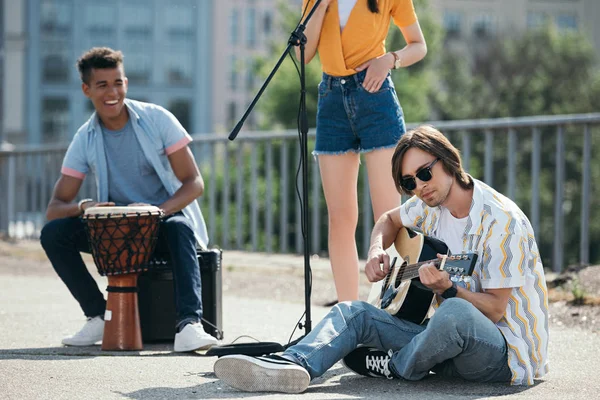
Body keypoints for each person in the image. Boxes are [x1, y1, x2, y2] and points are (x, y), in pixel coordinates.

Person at [213, 125, 549, 393]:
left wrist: (449, 290)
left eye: (424, 173)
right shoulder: (428, 205)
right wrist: (376, 251)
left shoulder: (502, 222)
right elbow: (388, 220)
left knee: (454, 311)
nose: (419, 186)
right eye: (408, 182)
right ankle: (292, 364)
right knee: (353, 311)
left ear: (447, 160)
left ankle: (395, 365)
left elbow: (494, 309)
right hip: (439, 347)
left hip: (503, 356)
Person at [40, 47, 218, 352]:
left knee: (181, 228)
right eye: (102, 85)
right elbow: (54, 209)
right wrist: (85, 207)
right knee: (53, 235)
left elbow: (194, 183)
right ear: (86, 90)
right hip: (117, 234)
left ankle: (189, 325)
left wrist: (156, 211)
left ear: (126, 83)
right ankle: (97, 315)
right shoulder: (85, 138)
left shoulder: (158, 119)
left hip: (162, 224)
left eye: (118, 83)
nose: (113, 92)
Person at [296, 0, 427, 302]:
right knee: (340, 218)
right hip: (331, 100)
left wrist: (390, 59)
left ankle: (389, 306)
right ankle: (349, 313)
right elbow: (303, 55)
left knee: (389, 214)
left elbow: (418, 45)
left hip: (376, 96)